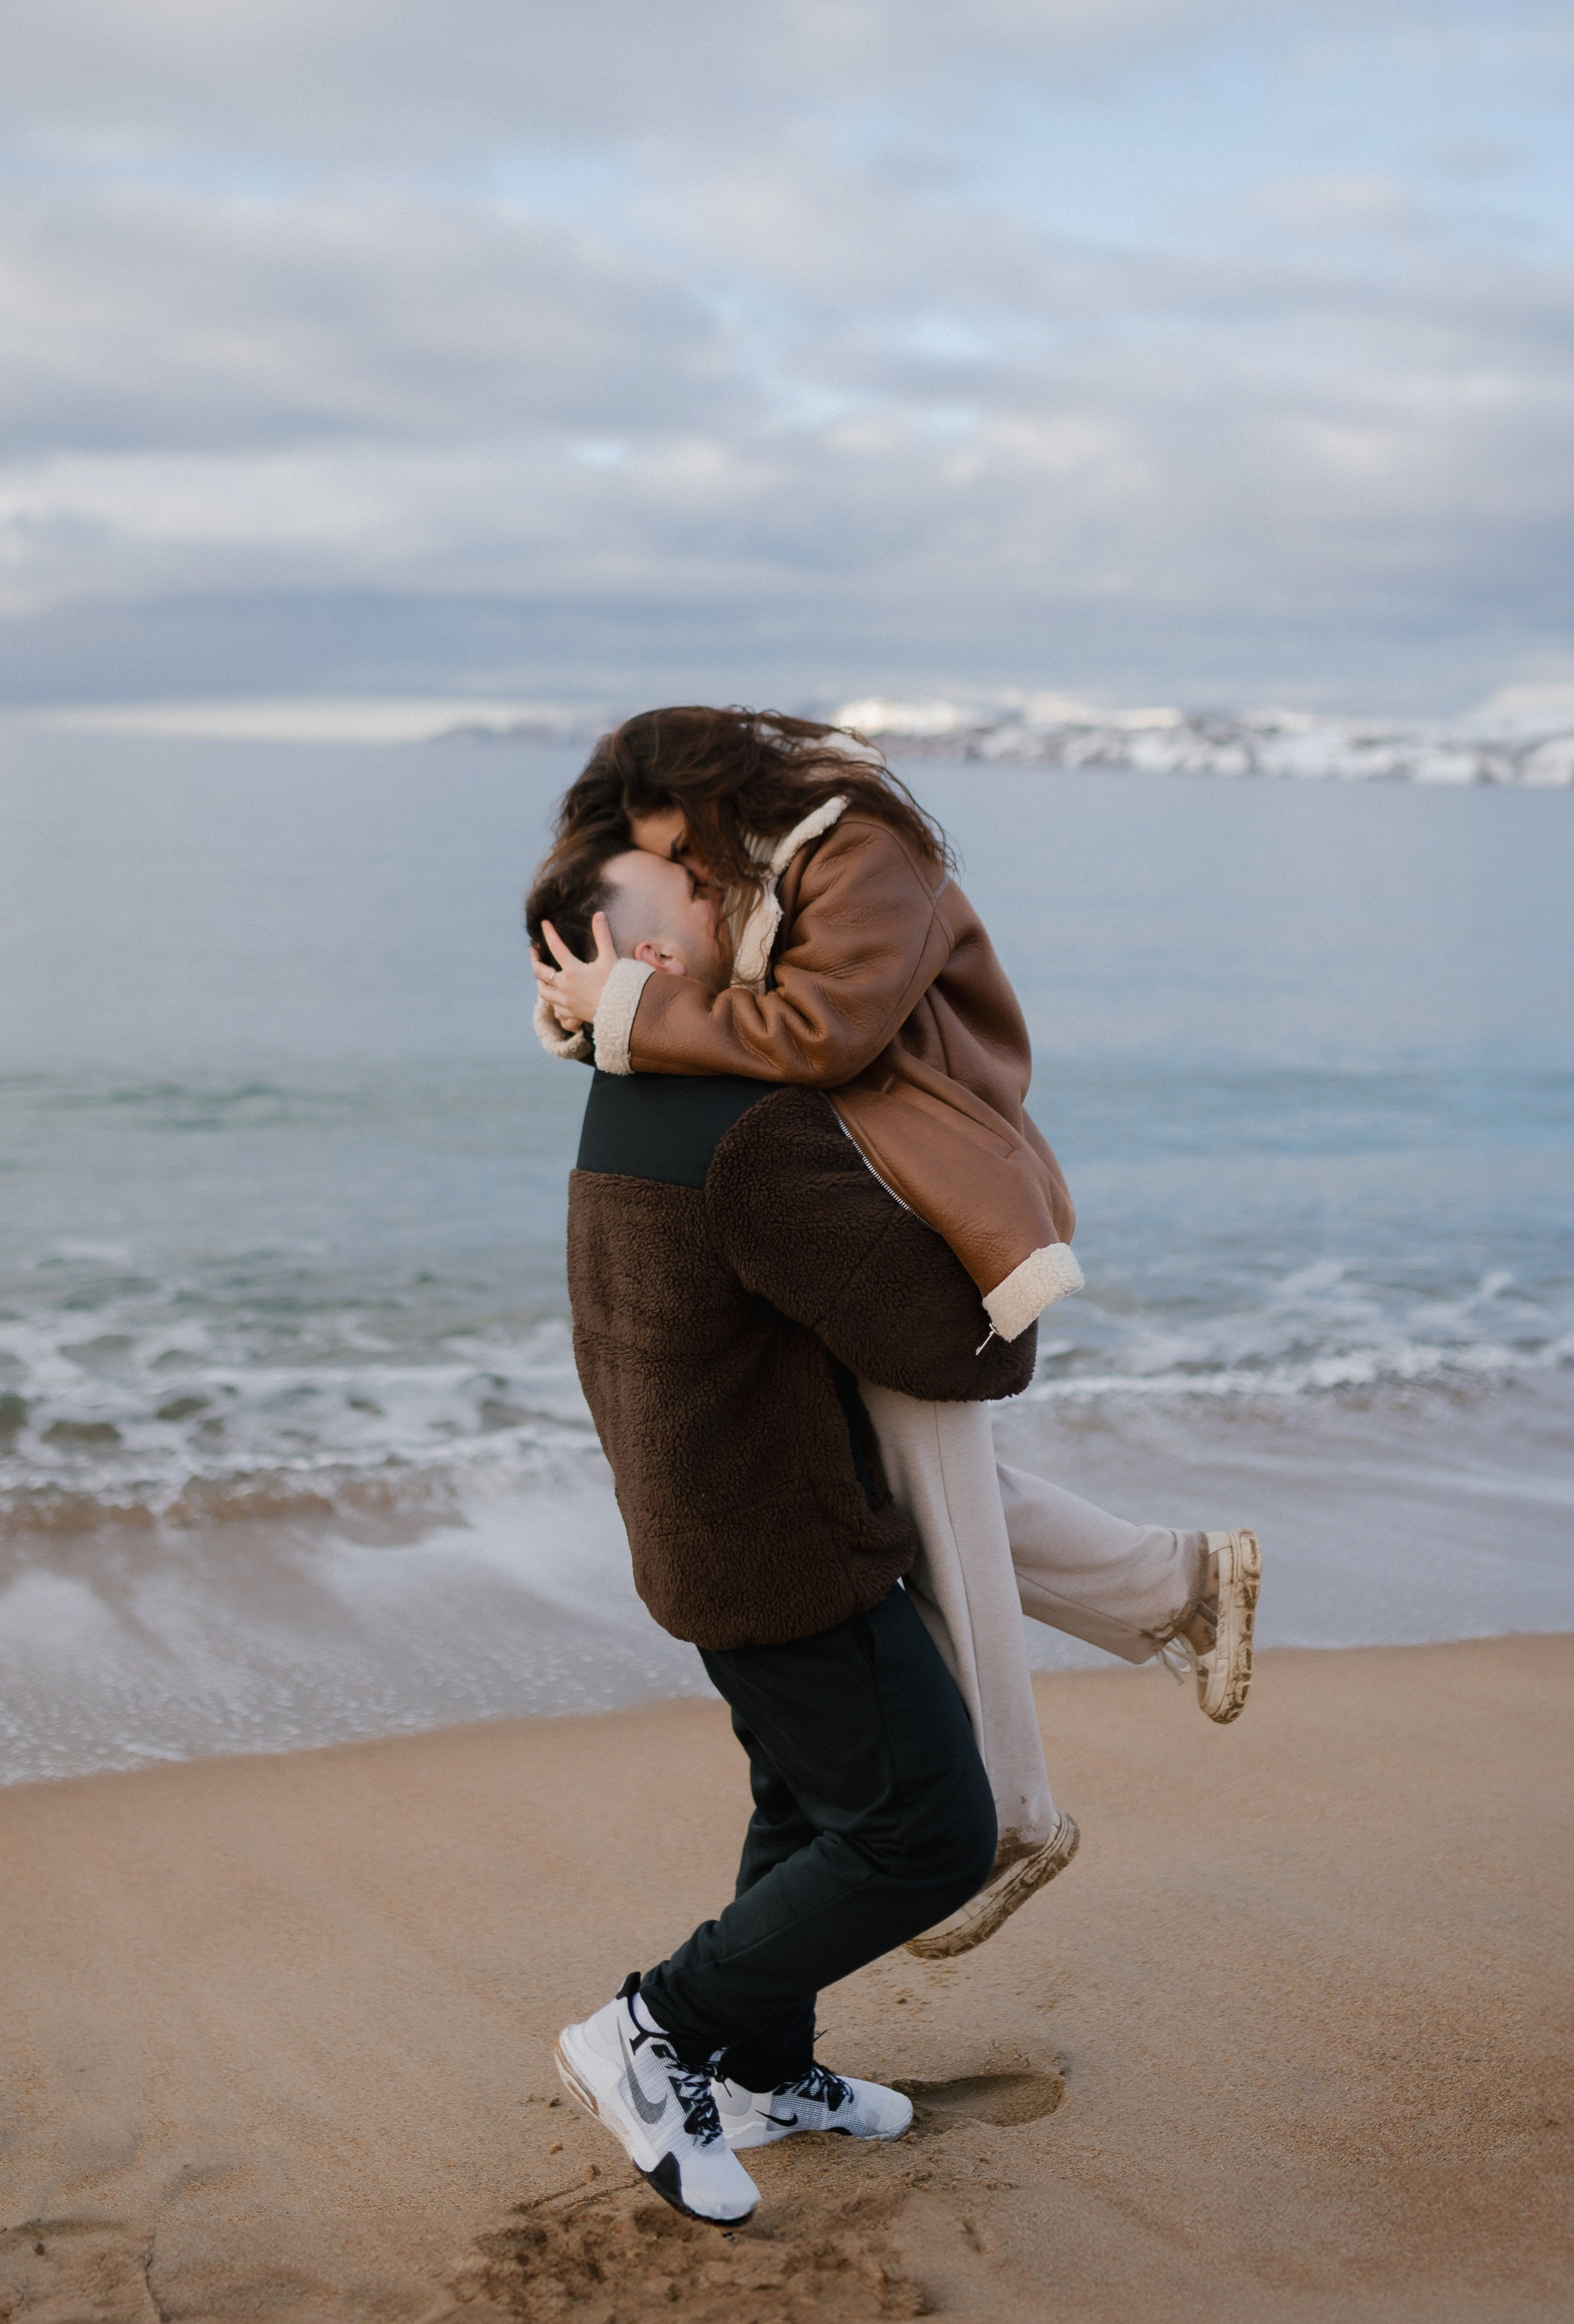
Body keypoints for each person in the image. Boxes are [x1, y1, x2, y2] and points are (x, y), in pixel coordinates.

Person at [550, 846, 1052, 2223]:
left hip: (700, 1530)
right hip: (789, 1546)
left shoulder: (624, 1098)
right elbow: (957, 1350)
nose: (740, 896)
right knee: (922, 1832)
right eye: (701, 891)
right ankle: (651, 2031)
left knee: (809, 1803)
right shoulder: (748, 1125)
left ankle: (764, 2068)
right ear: (653, 960)